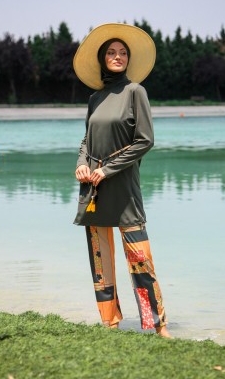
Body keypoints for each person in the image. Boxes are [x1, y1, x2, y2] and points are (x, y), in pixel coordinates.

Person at [73, 23, 171, 338]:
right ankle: (110, 322)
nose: (118, 57)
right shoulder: (95, 98)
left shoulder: (135, 92)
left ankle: (157, 324)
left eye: (123, 53)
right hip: (94, 190)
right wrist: (82, 165)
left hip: (124, 188)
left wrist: (108, 169)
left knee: (140, 258)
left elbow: (145, 141)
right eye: (111, 53)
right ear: (102, 59)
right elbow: (87, 140)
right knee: (100, 259)